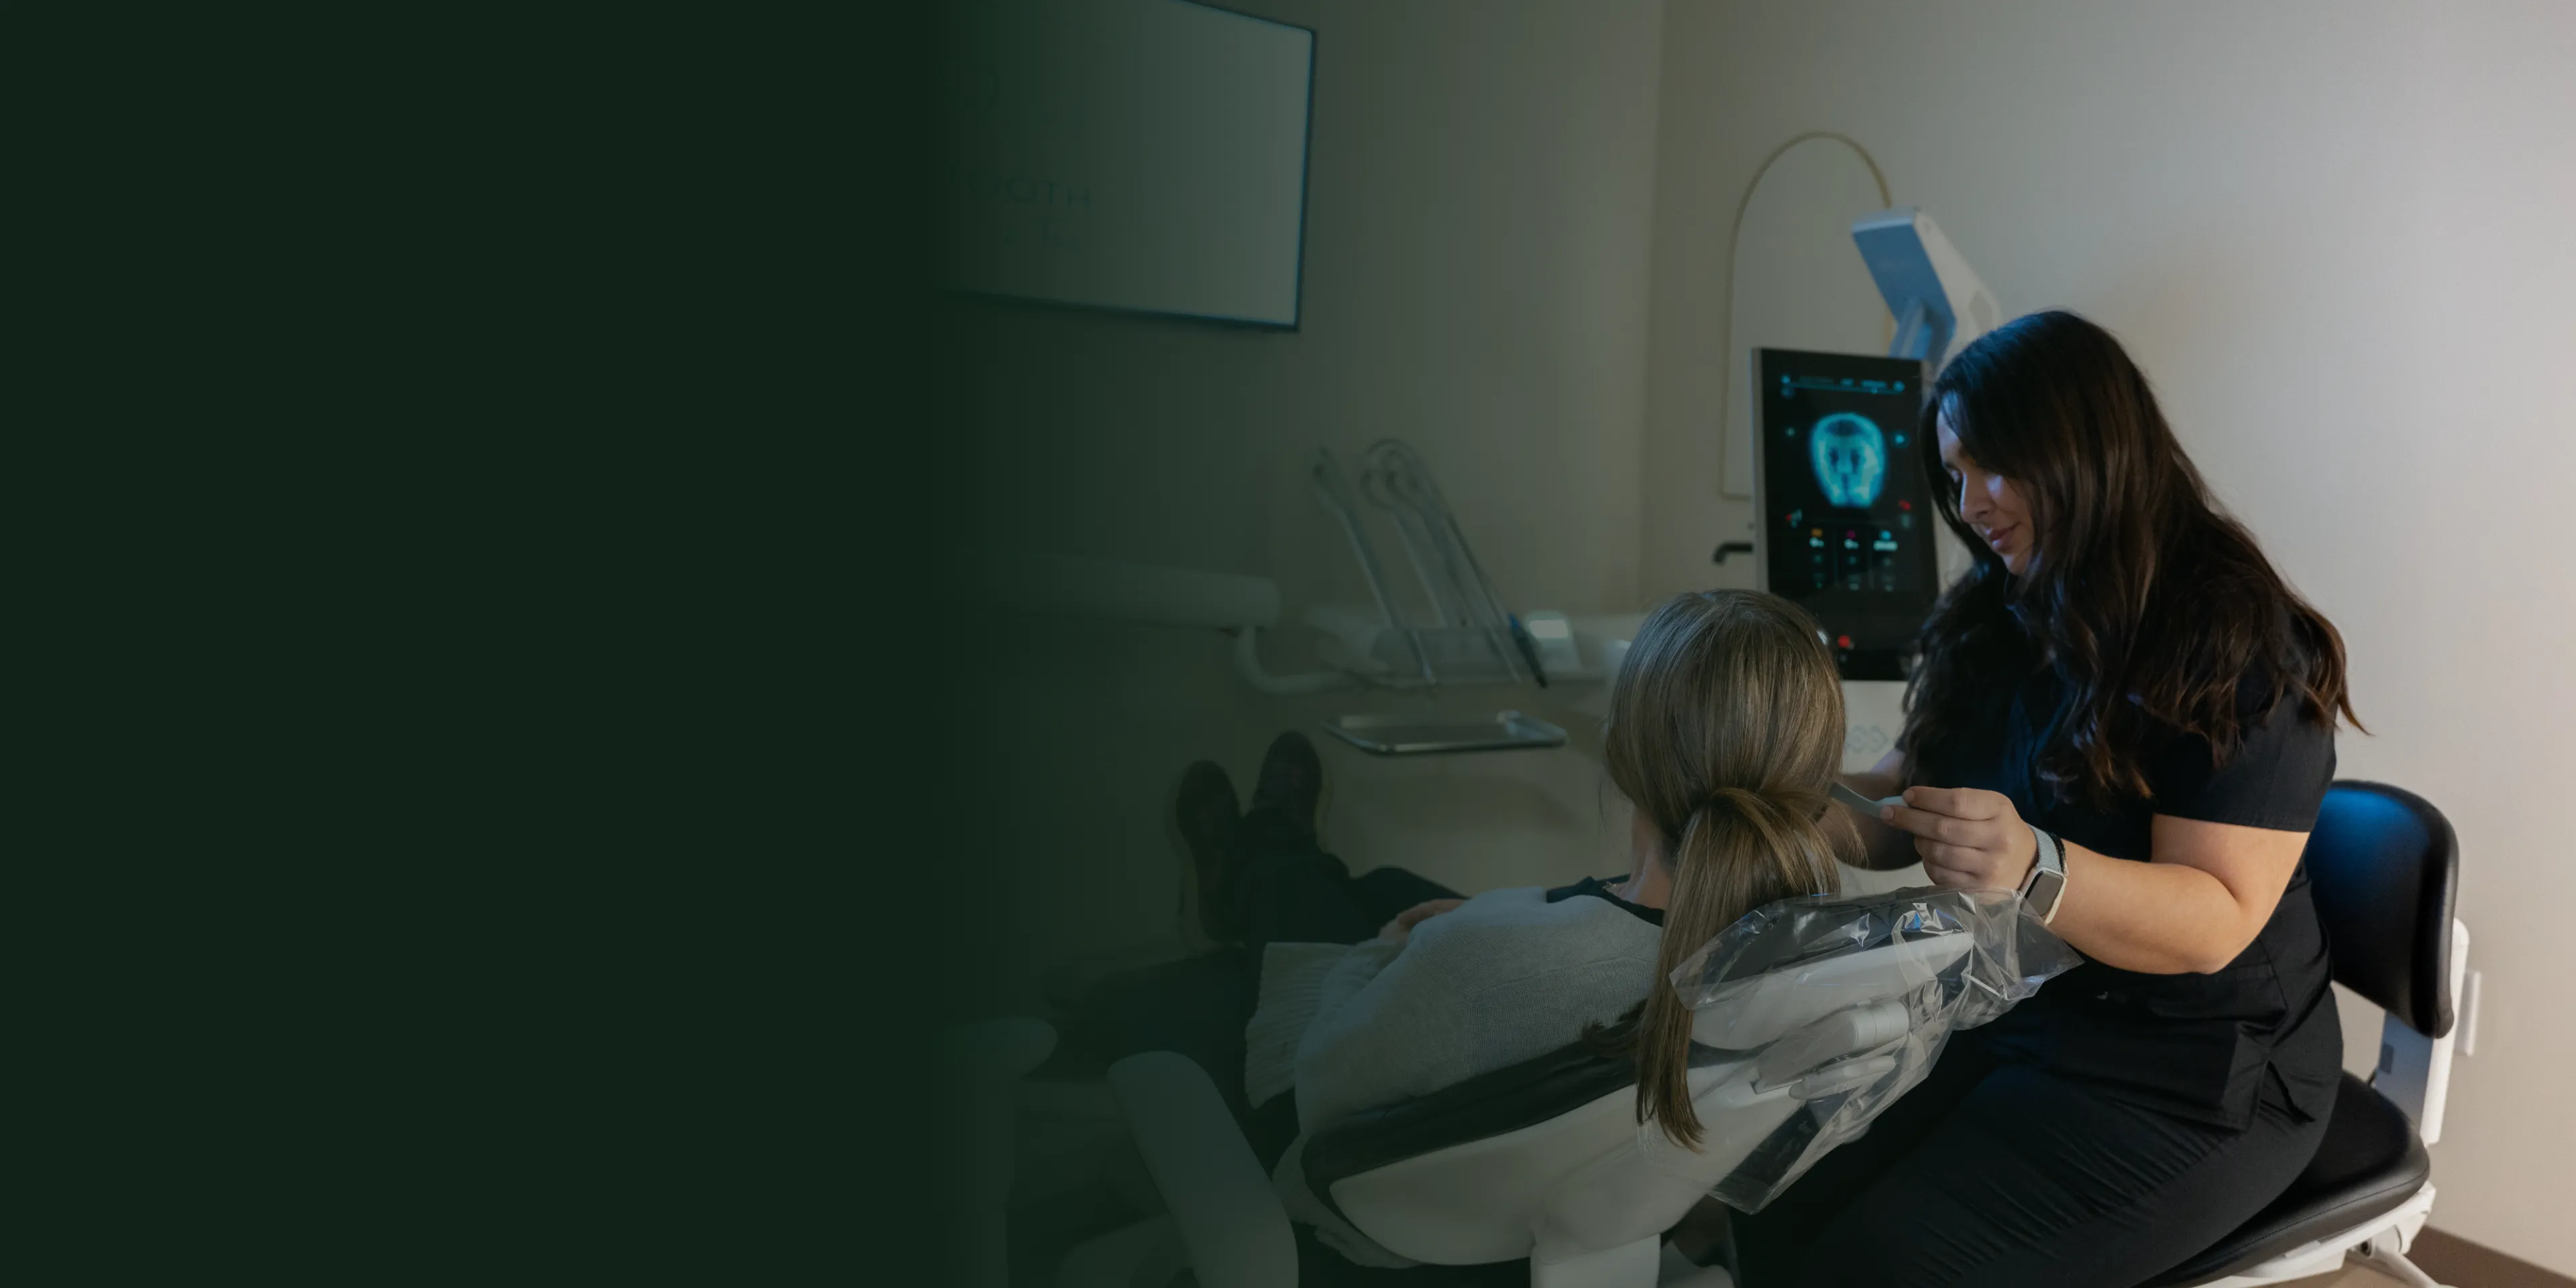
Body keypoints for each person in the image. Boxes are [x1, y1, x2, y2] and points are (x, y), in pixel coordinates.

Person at [1730, 311, 2359, 1287]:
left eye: (1992, 467)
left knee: (1881, 1267)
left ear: (2083, 445)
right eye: (1954, 474)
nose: (1969, 502)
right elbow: (1901, 799)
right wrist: (1770, 805)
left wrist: (2037, 867)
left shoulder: (2236, 640)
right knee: (1773, 1199)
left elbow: (2217, 918)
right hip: (2031, 1020)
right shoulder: (2000, 611)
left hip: (2203, 1073)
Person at [1040, 589, 1851, 1279]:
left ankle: (1261, 865)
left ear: (1621, 749)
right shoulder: (1808, 968)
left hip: (1367, 1206)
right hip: (1569, 1220)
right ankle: (1277, 862)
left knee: (1311, 915)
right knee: (1386, 884)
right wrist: (1476, 931)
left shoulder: (1478, 962)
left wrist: (1385, 951)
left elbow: (1318, 1084)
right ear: (1819, 785)